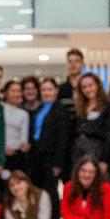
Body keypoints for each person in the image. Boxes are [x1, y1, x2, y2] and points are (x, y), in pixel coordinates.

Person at [31, 77, 74, 209]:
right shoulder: (38, 109)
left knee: (50, 193)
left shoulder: (61, 111)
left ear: (56, 91)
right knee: (37, 192)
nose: (46, 92)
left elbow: (63, 140)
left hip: (51, 159)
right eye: (43, 89)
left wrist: (58, 164)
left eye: (50, 89)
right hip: (37, 157)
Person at [71, 72, 110, 173]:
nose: (87, 89)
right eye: (84, 87)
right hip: (78, 153)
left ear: (98, 85)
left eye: (90, 85)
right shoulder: (79, 108)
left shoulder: (108, 108)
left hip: (97, 153)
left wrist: (104, 160)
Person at [1, 78, 33, 178]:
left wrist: (24, 146)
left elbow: (24, 137)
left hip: (17, 157)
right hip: (0, 155)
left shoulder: (24, 114)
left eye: (19, 91)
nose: (16, 94)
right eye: (13, 91)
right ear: (6, 93)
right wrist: (2, 148)